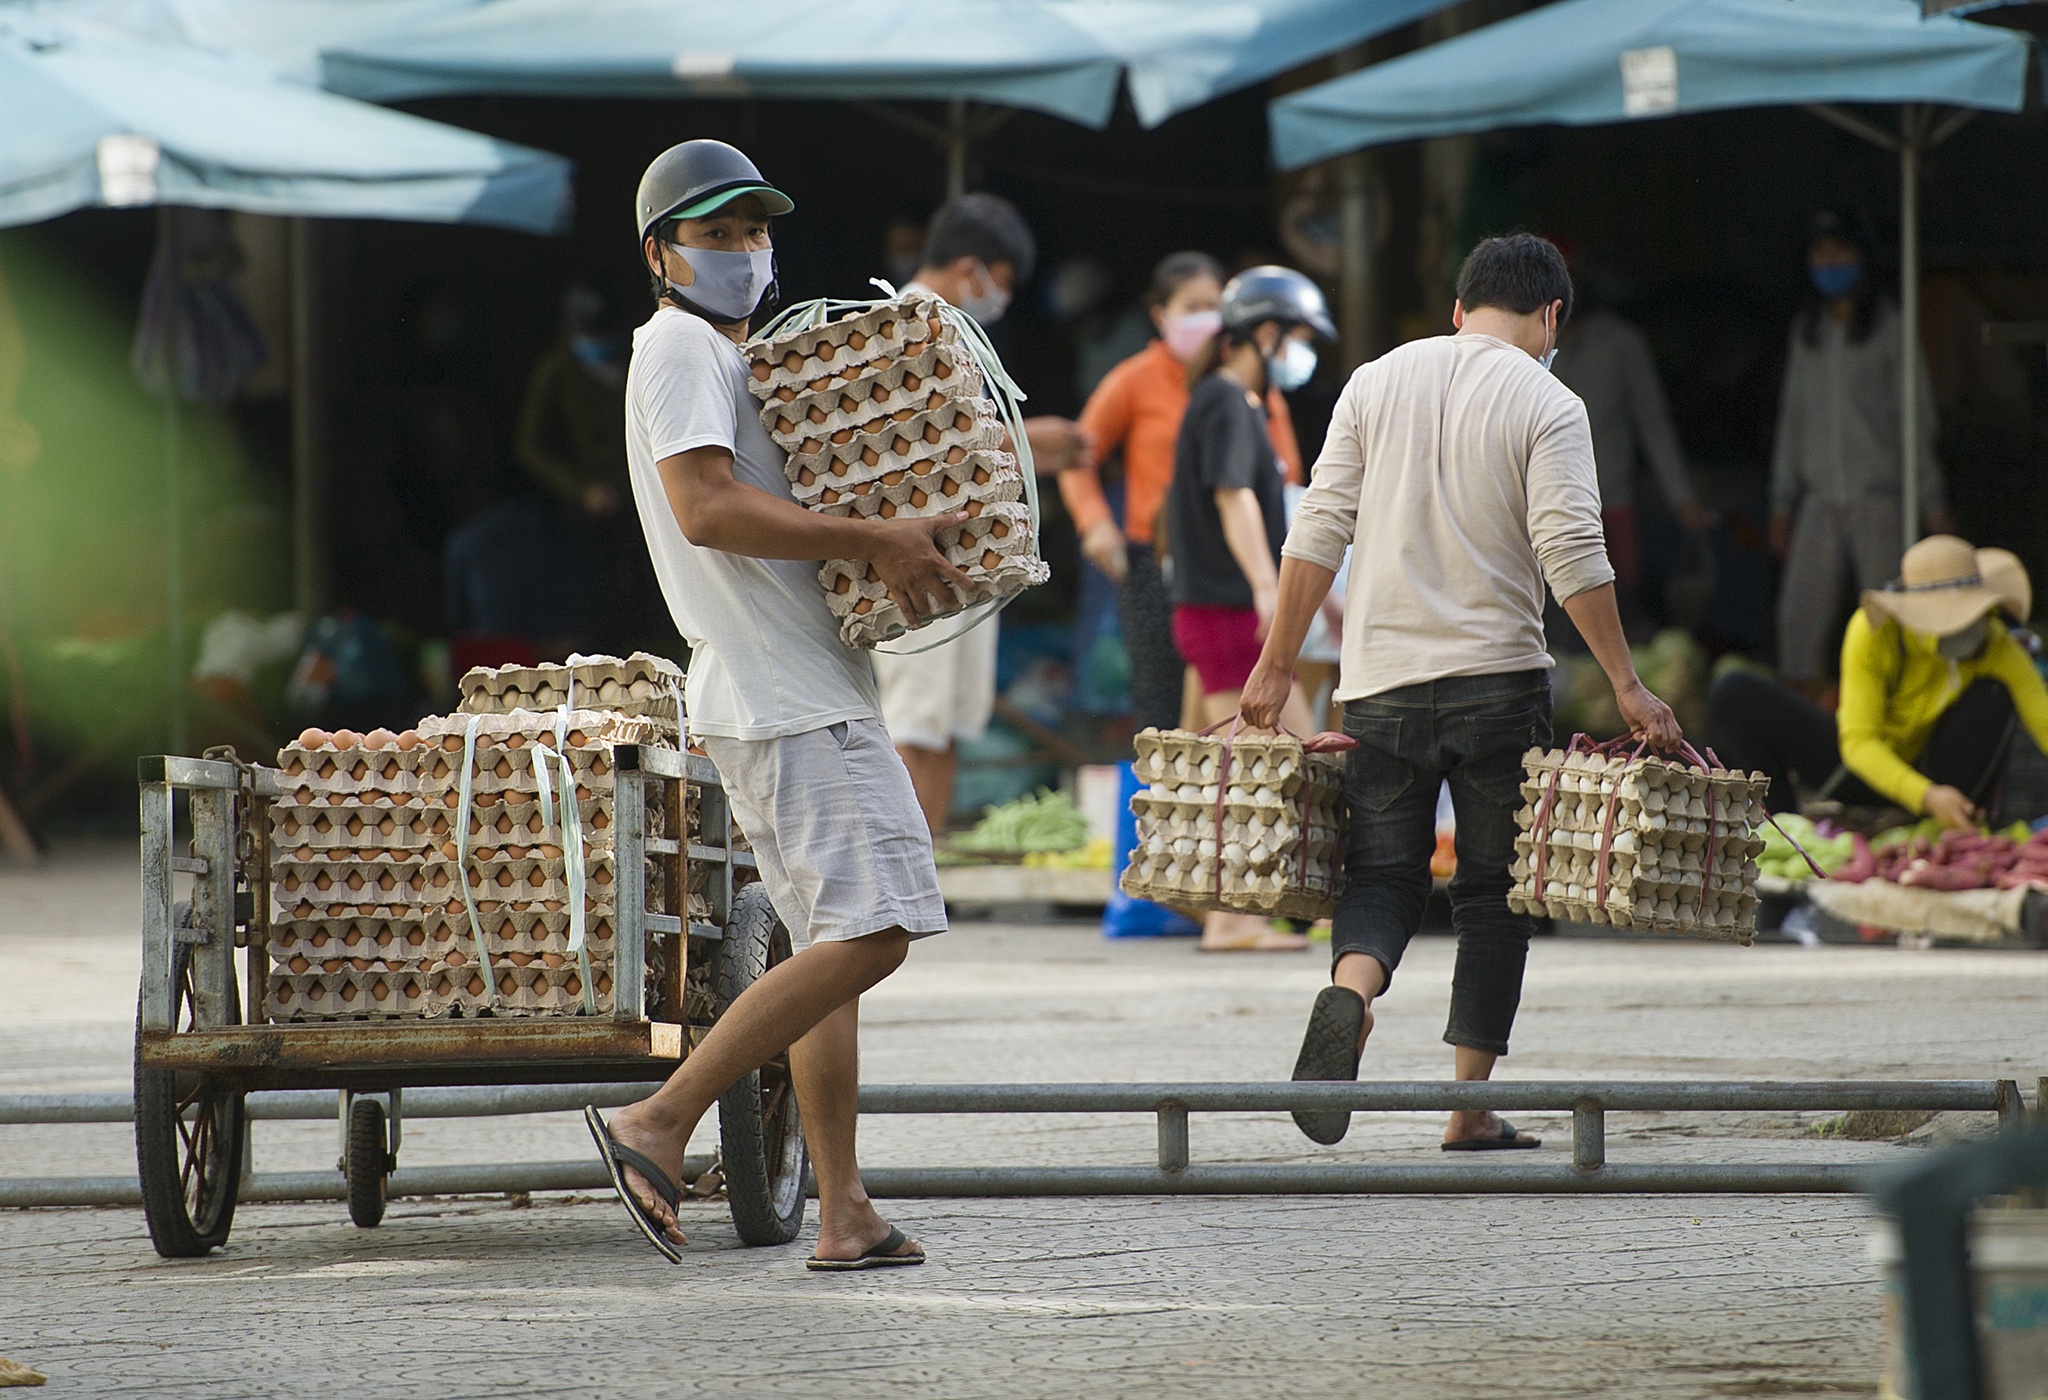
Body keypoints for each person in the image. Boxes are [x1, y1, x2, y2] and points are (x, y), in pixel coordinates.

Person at [590, 139, 959, 1270]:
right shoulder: (681, 346)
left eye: (755, 230)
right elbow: (705, 507)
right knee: (877, 931)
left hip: (785, 685)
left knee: (828, 950)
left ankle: (843, 1211)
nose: (745, 250)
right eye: (717, 234)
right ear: (660, 254)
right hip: (784, 696)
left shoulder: (725, 353)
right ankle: (660, 1120)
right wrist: (873, 537)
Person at [1241, 233, 1681, 1148]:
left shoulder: (1372, 381)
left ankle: (1351, 992)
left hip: (1379, 682)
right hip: (1498, 684)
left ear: (1458, 309)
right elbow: (1572, 551)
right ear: (1552, 315)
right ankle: (1467, 1108)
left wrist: (1277, 663)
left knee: (1381, 874)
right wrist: (1628, 685)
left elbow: (1319, 526)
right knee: (1492, 895)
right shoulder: (1550, 402)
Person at [871, 194, 1089, 836]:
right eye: (1004, 279)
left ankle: (927, 871)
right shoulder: (902, 323)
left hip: (964, 559)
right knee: (915, 726)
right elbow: (913, 450)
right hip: (918, 558)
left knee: (946, 728)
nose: (1004, 296)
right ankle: (901, 877)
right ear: (971, 268)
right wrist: (1027, 441)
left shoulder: (954, 329)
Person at [1061, 252, 1306, 732]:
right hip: (1155, 563)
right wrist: (1095, 523)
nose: (1207, 317)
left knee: (1204, 721)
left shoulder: (1252, 388)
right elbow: (1077, 453)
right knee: (1163, 707)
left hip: (1230, 568)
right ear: (1160, 316)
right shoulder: (1135, 379)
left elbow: (1285, 474)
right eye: (1192, 307)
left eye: (1214, 305)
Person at [1165, 265, 1330, 953]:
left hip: (1216, 612)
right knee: (1262, 766)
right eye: (1300, 339)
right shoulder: (1228, 401)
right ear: (1267, 333)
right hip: (1228, 613)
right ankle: (1234, 919)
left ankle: (1244, 910)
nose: (1303, 355)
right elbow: (1233, 498)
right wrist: (1267, 586)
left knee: (1255, 764)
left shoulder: (1229, 400)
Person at [1710, 537, 2046, 825]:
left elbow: (2042, 717)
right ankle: (1782, 828)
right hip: (1858, 769)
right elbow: (1859, 743)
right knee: (1735, 691)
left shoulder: (1994, 643)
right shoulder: (1873, 631)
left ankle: (1961, 820)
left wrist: (1933, 795)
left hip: (1933, 771)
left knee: (1993, 695)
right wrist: (1925, 795)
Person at [1769, 210, 1954, 690]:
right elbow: (1793, 420)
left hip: (1879, 497)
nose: (1830, 261)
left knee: (1887, 617)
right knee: (1799, 617)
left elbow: (1915, 421)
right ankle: (1802, 712)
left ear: (1863, 257)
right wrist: (1782, 503)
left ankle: (1892, 707)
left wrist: (1932, 502)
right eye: (1820, 252)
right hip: (1819, 499)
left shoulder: (1891, 328)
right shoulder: (1807, 331)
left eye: (1840, 250)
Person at [1549, 271, 1710, 607]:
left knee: (1616, 603)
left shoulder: (1618, 342)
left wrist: (1682, 498)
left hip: (1610, 500)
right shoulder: (1526, 340)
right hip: (1545, 507)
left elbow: (1652, 422)